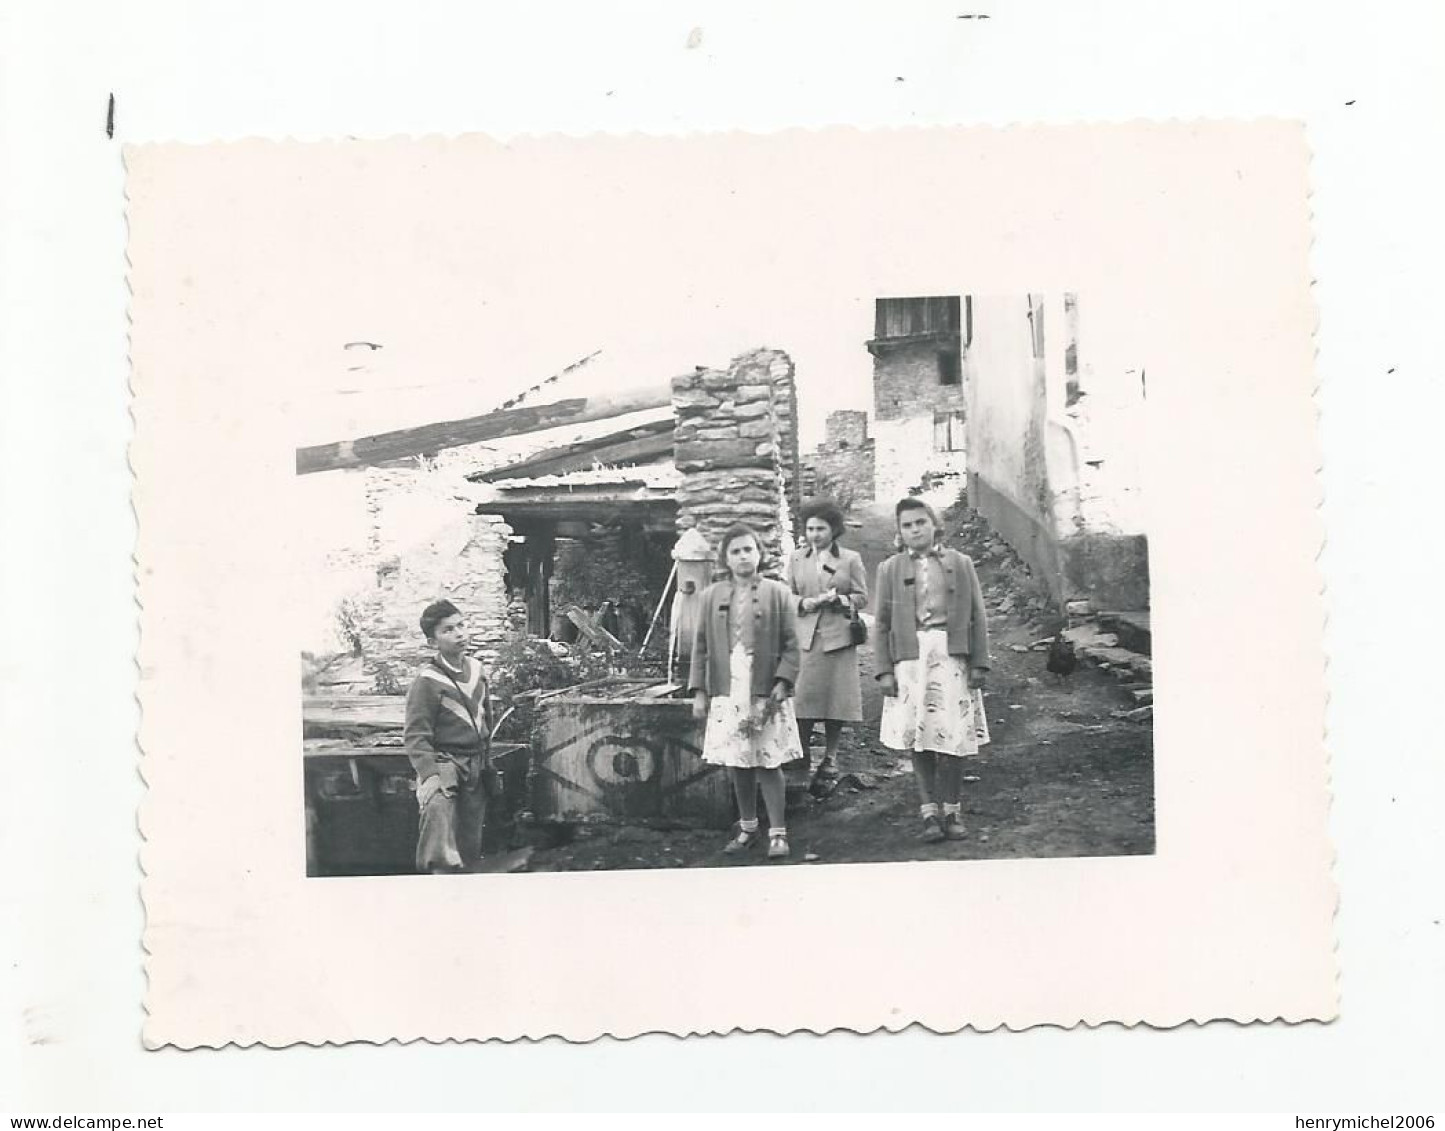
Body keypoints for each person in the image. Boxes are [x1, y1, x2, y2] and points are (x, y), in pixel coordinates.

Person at [874, 498, 991, 843]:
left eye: (920, 522)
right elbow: (880, 623)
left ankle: (952, 809)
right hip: (910, 661)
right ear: (900, 532)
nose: (915, 530)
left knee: (952, 736)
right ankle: (928, 812)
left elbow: (978, 615)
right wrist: (884, 669)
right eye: (907, 525)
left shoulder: (961, 563)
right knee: (919, 737)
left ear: (934, 524)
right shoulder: (890, 569)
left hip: (951, 656)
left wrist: (979, 662)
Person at [689, 524, 804, 860]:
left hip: (765, 685)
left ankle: (778, 832)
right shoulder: (711, 596)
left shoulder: (777, 593)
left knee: (768, 761)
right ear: (725, 558)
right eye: (735, 551)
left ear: (759, 553)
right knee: (738, 760)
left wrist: (783, 682)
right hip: (728, 687)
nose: (743, 557)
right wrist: (699, 691)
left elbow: (792, 644)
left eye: (748, 549)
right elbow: (700, 647)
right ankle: (748, 825)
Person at [403, 599, 494, 873]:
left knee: (470, 837)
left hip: (476, 763)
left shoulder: (477, 670)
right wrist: (429, 775)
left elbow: (485, 718)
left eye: (462, 625)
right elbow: (416, 734)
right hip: (445, 764)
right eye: (449, 630)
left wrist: (488, 761)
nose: (460, 634)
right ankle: (437, 882)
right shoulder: (427, 681)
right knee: (438, 820)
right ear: (433, 642)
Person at [785, 498, 868, 779]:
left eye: (821, 529)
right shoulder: (796, 558)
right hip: (806, 637)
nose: (815, 535)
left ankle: (830, 757)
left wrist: (842, 600)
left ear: (834, 530)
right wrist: (803, 603)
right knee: (803, 697)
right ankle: (802, 752)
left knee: (836, 700)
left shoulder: (850, 559)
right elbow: (787, 595)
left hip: (838, 638)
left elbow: (862, 597)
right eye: (810, 529)